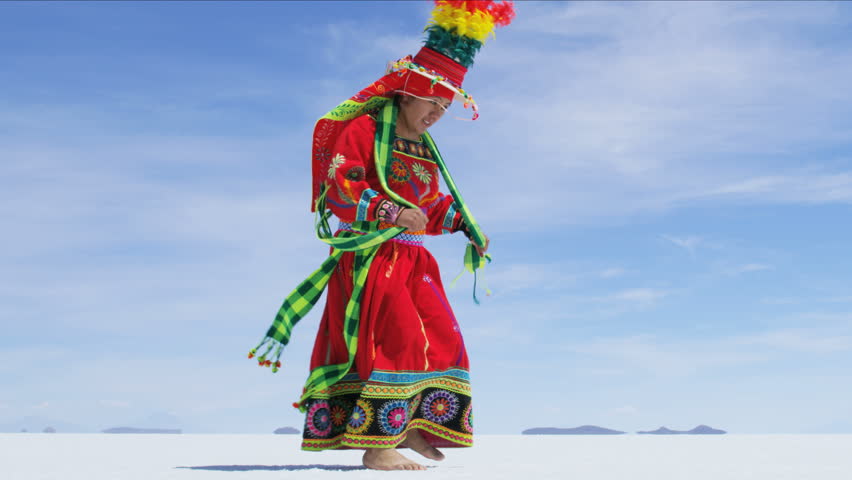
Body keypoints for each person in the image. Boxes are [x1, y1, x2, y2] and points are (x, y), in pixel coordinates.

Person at [250, 0, 514, 471]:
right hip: (373, 260)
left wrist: (463, 226)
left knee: (443, 339)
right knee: (396, 341)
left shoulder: (423, 147)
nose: (437, 112)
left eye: (445, 105)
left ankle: (412, 426)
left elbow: (429, 204)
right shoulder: (365, 129)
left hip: (414, 262)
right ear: (408, 92)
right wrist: (390, 210)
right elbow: (342, 186)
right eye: (432, 100)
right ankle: (377, 445)